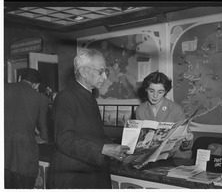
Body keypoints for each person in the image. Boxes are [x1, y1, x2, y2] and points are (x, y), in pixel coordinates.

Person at [49, 48, 129, 189]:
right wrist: (103, 149)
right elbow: (64, 139)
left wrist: (118, 148)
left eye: (106, 72)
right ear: (84, 72)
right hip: (74, 178)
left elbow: (95, 134)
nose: (105, 77)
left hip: (90, 174)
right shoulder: (66, 98)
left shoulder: (88, 96)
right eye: (101, 71)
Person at [4, 68, 50, 189]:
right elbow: (45, 133)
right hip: (25, 163)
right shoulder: (41, 99)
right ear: (36, 85)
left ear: (19, 78)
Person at [136, 71, 193, 159]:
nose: (155, 96)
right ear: (146, 89)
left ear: (165, 91)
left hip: (175, 157)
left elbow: (186, 146)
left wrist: (187, 140)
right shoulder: (140, 110)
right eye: (151, 91)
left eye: (160, 92)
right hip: (149, 156)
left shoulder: (176, 109)